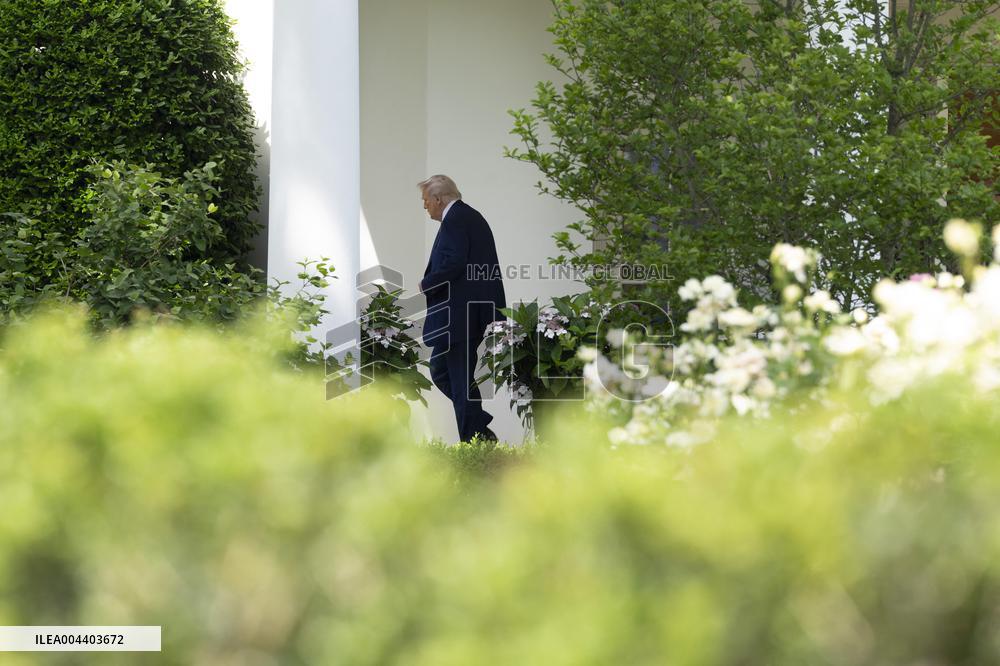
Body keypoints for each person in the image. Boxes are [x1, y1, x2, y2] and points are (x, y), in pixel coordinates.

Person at [418, 175, 506, 442]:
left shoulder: (455, 219)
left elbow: (454, 262)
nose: (425, 208)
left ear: (438, 199)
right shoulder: (467, 216)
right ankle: (478, 428)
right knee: (444, 372)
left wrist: (427, 283)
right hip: (466, 315)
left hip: (460, 317)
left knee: (455, 378)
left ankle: (475, 440)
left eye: (426, 202)